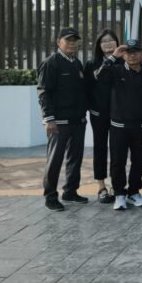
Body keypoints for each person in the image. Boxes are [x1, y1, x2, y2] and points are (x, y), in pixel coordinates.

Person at [96, 39, 142, 211]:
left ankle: (134, 192)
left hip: (140, 126)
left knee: (138, 162)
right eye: (128, 52)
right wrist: (113, 57)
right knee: (118, 162)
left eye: (136, 51)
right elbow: (99, 75)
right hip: (119, 126)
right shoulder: (115, 70)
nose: (132, 55)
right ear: (123, 54)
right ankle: (119, 194)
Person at [37, 27, 88, 211]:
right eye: (68, 40)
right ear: (59, 42)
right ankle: (50, 196)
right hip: (58, 123)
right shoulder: (51, 63)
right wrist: (49, 119)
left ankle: (70, 191)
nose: (72, 43)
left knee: (75, 158)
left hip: (78, 121)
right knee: (55, 160)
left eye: (75, 40)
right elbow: (43, 92)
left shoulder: (77, 63)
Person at [83, 29, 120, 204]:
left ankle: (116, 185)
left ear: (117, 42)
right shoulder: (92, 64)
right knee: (100, 148)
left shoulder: (124, 61)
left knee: (117, 150)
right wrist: (91, 108)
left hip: (119, 114)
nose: (108, 43)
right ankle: (101, 186)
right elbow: (88, 88)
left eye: (111, 40)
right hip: (99, 114)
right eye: (104, 41)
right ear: (99, 45)